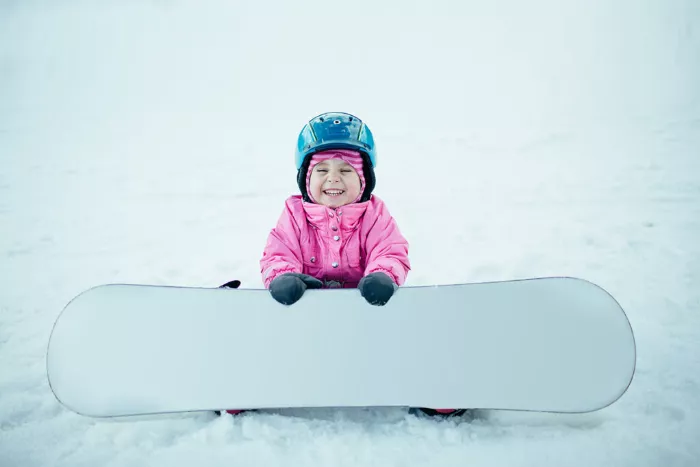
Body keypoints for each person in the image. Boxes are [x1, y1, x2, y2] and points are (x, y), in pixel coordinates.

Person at [221, 112, 463, 418]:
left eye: (346, 170)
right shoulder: (294, 216)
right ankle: (238, 385)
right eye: (321, 169)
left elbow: (390, 248)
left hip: (367, 325)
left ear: (364, 180)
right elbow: (277, 253)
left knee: (409, 334)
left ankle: (435, 384)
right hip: (304, 328)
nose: (333, 178)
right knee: (267, 336)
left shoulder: (375, 214)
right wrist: (284, 278)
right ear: (305, 179)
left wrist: (382, 275)